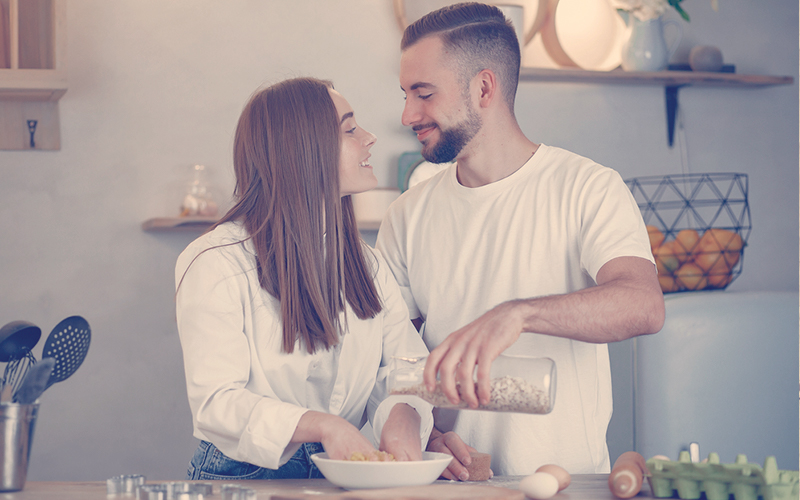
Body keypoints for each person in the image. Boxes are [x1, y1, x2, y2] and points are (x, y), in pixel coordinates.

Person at [376, 2, 665, 480]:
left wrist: (519, 314)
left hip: (565, 484)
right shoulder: (407, 215)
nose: (408, 113)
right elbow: (396, 359)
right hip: (452, 485)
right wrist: (422, 432)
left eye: (424, 94)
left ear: (484, 87)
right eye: (406, 94)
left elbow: (643, 304)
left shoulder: (586, 187)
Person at [175, 77, 434, 480]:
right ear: (302, 150)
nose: (369, 139)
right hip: (244, 474)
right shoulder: (215, 262)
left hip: (341, 471)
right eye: (349, 130)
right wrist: (324, 425)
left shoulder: (369, 266)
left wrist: (403, 417)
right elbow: (216, 402)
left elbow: (408, 368)